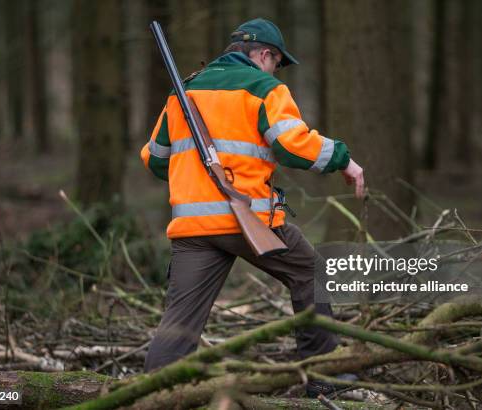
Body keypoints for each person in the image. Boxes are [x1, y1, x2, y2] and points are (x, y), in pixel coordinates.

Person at [140, 18, 364, 396]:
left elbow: (156, 159)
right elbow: (293, 145)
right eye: (277, 62)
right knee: (313, 274)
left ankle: (151, 396)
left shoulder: (184, 92)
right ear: (264, 55)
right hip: (244, 219)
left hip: (192, 229)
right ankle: (325, 377)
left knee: (179, 322)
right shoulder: (265, 88)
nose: (276, 70)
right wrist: (344, 159)